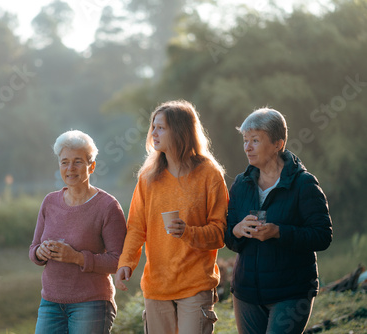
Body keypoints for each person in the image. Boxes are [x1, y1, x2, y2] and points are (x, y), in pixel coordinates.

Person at [115, 100, 228, 334]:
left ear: (180, 131)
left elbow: (219, 233)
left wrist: (188, 232)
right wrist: (126, 262)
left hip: (196, 285)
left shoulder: (210, 174)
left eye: (161, 128)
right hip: (157, 286)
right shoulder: (147, 178)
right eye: (153, 127)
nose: (153, 133)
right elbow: (136, 227)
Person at [224, 108, 333, 334]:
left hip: (291, 293)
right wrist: (236, 230)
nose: (247, 147)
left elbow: (322, 236)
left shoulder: (303, 184)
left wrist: (279, 232)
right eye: (245, 140)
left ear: (278, 144)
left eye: (255, 140)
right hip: (247, 294)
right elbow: (229, 239)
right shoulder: (240, 185)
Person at [29, 130, 127, 334]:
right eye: (64, 162)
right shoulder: (49, 202)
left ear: (92, 166)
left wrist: (77, 258)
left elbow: (118, 261)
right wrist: (41, 252)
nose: (70, 168)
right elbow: (33, 249)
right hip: (50, 302)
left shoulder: (108, 206)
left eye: (78, 162)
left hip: (91, 303)